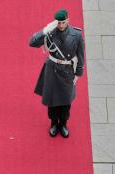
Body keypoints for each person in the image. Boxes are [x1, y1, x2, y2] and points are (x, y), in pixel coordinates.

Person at [29, 8, 85, 138]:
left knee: (66, 100)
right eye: (58, 23)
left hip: (67, 70)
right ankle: (54, 123)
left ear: (68, 21)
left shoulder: (76, 35)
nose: (60, 25)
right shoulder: (50, 33)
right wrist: (45, 30)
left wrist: (79, 71)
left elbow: (80, 54)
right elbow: (32, 43)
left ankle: (63, 123)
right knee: (52, 99)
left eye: (63, 22)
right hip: (52, 69)